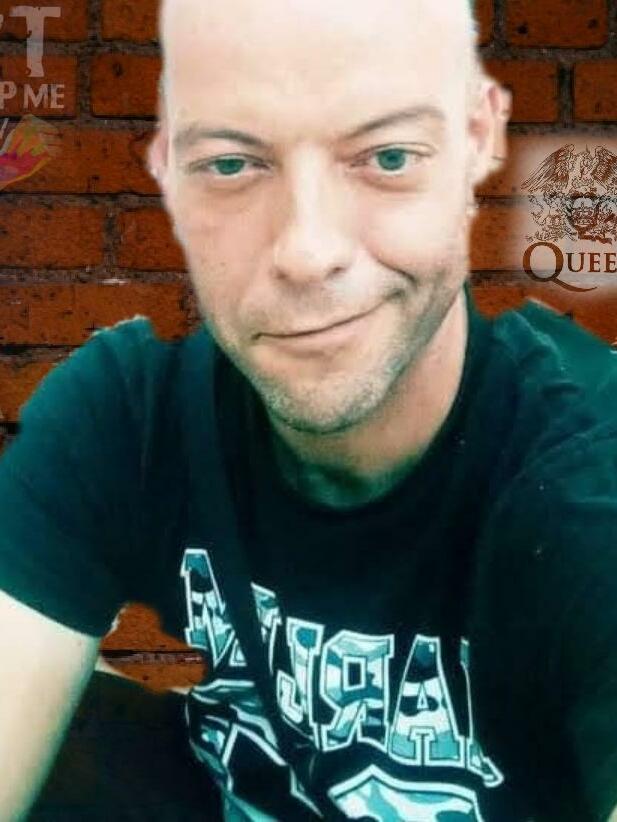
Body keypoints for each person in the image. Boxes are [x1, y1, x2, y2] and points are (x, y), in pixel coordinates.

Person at [1, 0, 617, 819]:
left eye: (386, 157)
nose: (306, 251)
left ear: (475, 143)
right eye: (231, 165)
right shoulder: (129, 412)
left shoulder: (586, 482)